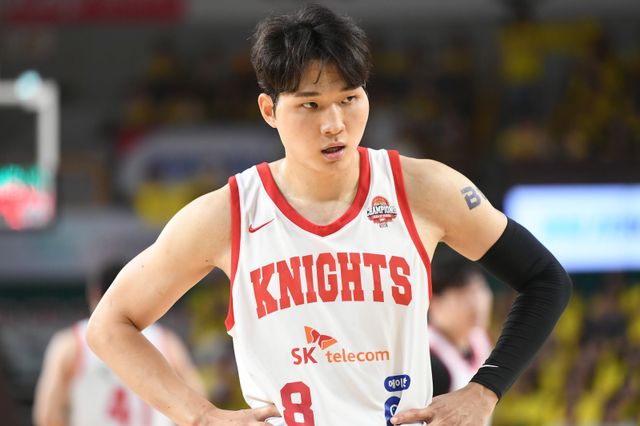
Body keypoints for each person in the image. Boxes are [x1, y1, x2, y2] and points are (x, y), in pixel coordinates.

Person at [86, 5, 573, 425]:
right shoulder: (228, 214)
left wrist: (485, 389)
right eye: (311, 105)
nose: (335, 123)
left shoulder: (424, 189)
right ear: (269, 110)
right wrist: (199, 415)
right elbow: (110, 325)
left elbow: (546, 279)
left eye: (349, 99)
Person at [33, 263, 205, 426]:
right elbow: (199, 403)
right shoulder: (166, 342)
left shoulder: (71, 343)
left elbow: (48, 416)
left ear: (94, 293)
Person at [428, 247, 493, 397]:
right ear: (434, 303)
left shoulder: (478, 339)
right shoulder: (429, 361)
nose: (476, 303)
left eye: (478, 289)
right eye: (462, 293)